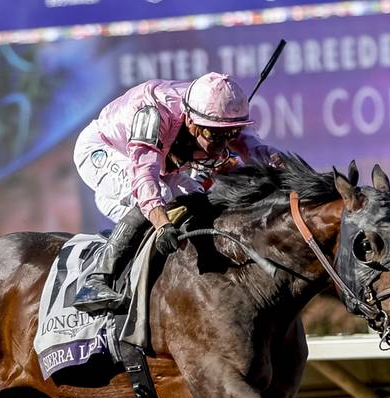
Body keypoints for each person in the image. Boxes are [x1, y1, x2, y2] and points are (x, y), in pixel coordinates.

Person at [71, 72, 285, 312]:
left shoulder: (220, 117)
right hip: (104, 148)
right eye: (214, 136)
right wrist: (162, 224)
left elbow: (255, 150)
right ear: (191, 122)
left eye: (230, 135)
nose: (222, 145)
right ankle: (98, 279)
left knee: (197, 199)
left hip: (161, 164)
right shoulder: (152, 114)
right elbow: (145, 176)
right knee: (158, 198)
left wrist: (280, 166)